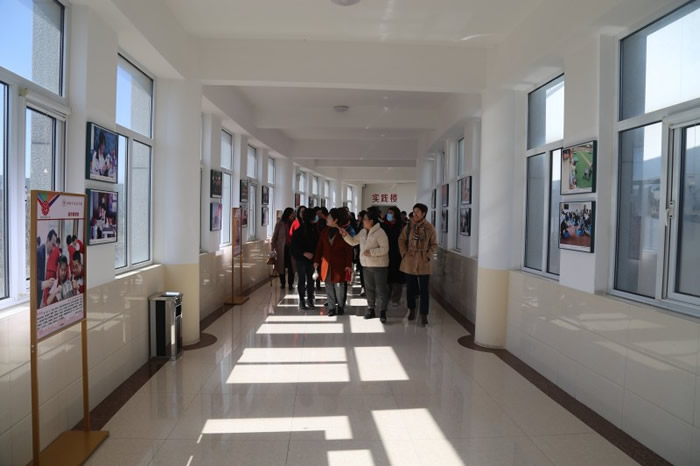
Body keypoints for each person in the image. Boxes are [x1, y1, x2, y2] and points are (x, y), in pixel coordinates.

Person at [340, 209, 390, 323]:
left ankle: (383, 311)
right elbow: (353, 241)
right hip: (366, 265)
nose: (363, 221)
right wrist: (345, 235)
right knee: (369, 289)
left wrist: (371, 252)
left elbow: (385, 249)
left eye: (365, 219)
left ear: (371, 221)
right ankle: (371, 309)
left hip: (379, 266)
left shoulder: (380, 232)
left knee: (381, 289)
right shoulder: (363, 232)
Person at [399, 203, 438, 326]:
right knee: (410, 288)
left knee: (424, 290)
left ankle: (424, 314)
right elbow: (401, 240)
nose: (415, 214)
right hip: (409, 260)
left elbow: (434, 244)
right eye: (414, 211)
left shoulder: (429, 228)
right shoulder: (408, 227)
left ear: (424, 213)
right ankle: (411, 309)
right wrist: (404, 254)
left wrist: (427, 255)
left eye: (418, 212)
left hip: (423, 261)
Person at [314, 208, 354, 317]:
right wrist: (316, 260)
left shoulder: (343, 232)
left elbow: (348, 250)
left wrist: (348, 265)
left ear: (335, 220)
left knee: (339, 286)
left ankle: (340, 306)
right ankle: (331, 308)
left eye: (329, 217)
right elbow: (319, 247)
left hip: (339, 264)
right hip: (326, 264)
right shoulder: (324, 231)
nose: (327, 219)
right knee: (328, 286)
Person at [291, 208, 319, 310]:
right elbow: (294, 248)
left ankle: (309, 299)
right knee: (303, 280)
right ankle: (303, 300)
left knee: (310, 280)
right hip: (302, 259)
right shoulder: (299, 231)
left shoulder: (314, 230)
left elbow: (317, 245)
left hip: (310, 259)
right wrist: (304, 253)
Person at [381, 206, 405, 306]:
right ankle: (387, 297)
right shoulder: (383, 226)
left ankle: (396, 299)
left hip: (398, 255)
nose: (389, 215)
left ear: (396, 214)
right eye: (388, 213)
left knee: (397, 278)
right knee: (387, 278)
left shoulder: (401, 226)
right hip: (386, 254)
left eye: (391, 213)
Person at [272, 208, 296, 290]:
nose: (293, 215)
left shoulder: (295, 223)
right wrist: (273, 247)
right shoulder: (280, 223)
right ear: (288, 214)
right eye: (292, 213)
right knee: (281, 266)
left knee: (291, 266)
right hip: (282, 248)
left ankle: (290, 284)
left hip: (292, 248)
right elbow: (275, 236)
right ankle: (282, 283)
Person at [36, 229, 58, 307]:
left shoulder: (47, 254)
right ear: (48, 240)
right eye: (52, 244)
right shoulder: (39, 253)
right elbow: (34, 282)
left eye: (55, 246)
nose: (53, 249)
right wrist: (46, 283)